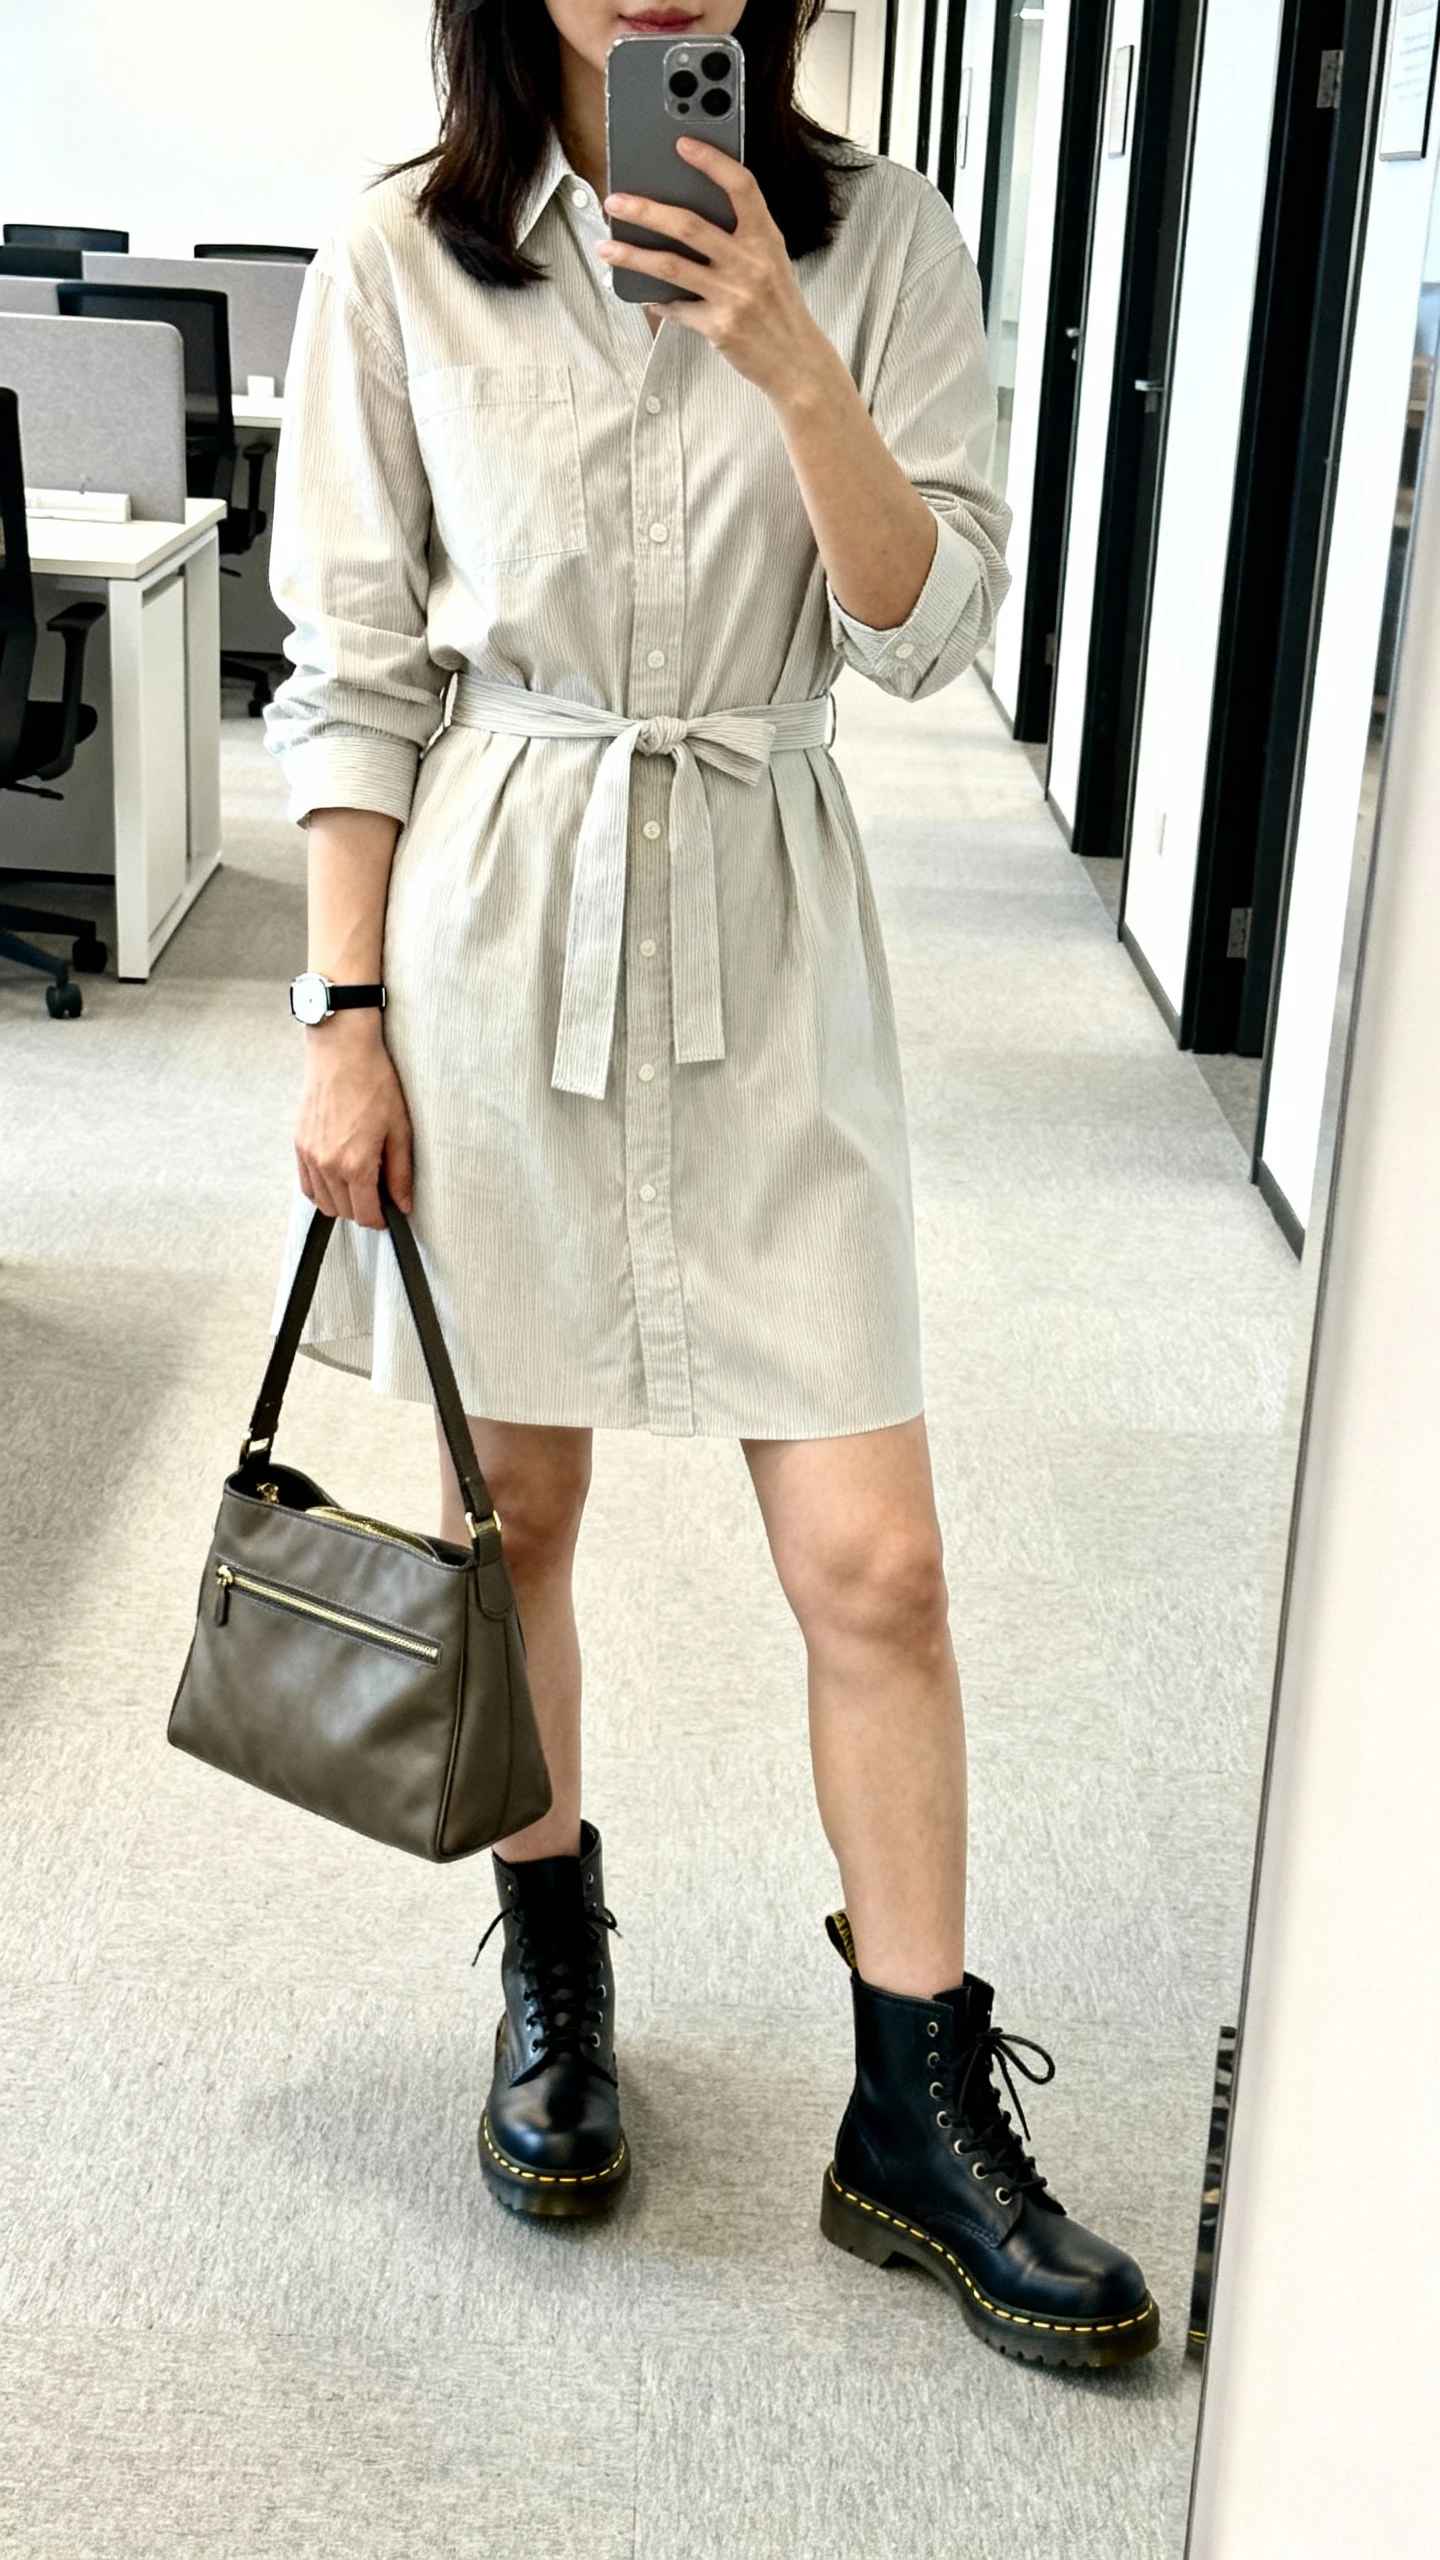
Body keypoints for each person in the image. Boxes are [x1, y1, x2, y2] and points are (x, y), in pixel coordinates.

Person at [265, 0, 1158, 2371]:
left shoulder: (887, 246)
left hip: (766, 931)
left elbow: (929, 630)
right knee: (516, 1521)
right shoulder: (401, 259)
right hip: (493, 933)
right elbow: (354, 666)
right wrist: (340, 1016)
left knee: (877, 1554)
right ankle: (554, 1971)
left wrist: (789, 351)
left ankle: (920, 2107)